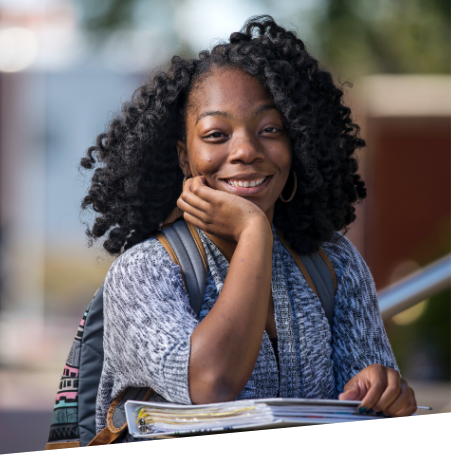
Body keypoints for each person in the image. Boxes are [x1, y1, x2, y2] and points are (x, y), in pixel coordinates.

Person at [81, 16, 416, 438]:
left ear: (298, 144)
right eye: (217, 134)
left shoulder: (335, 264)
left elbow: (368, 410)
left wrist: (385, 392)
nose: (245, 151)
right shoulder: (144, 272)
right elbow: (211, 383)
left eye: (270, 129)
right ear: (185, 157)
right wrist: (253, 232)